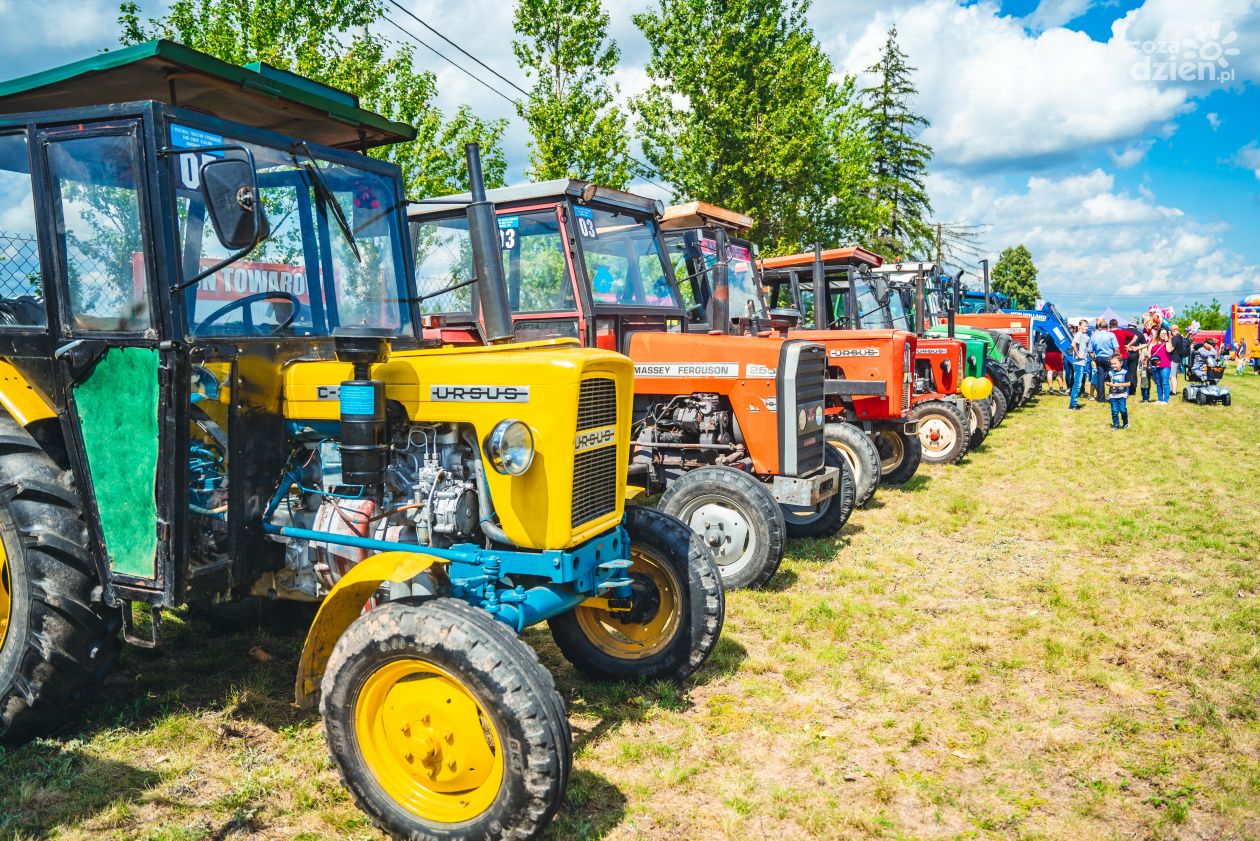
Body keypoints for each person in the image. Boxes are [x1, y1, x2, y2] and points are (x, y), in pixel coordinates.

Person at [1088, 319, 1118, 403]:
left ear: (1099, 327)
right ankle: (1113, 396)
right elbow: (1116, 348)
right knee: (1112, 377)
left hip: (1099, 358)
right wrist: (1115, 358)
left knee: (1100, 378)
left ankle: (1101, 399)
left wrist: (1093, 358)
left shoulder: (1094, 335)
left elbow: (1089, 350)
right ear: (1107, 327)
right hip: (1109, 357)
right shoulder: (1111, 335)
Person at [1106, 353, 1131, 429]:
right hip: (1113, 395)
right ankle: (1116, 424)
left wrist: (1119, 385)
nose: (1113, 365)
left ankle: (1125, 422)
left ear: (1121, 363)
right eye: (1112, 364)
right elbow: (1106, 382)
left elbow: (1128, 383)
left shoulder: (1125, 373)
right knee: (1114, 410)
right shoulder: (1110, 373)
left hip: (1122, 394)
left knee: (1123, 409)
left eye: (1115, 364)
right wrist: (1110, 384)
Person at [1069, 321, 1090, 409]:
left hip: (1081, 362)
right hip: (1078, 363)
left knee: (1078, 383)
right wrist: (1078, 355)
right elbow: (1073, 344)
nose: (1086, 327)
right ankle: (1073, 405)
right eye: (1085, 326)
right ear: (1079, 326)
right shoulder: (1078, 334)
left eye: (1087, 326)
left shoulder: (1081, 335)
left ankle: (1074, 403)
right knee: (1077, 384)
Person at [1149, 327, 1174, 403]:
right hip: (1155, 365)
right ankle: (1160, 399)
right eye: (1162, 333)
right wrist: (1153, 359)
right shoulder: (1153, 342)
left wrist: (1166, 341)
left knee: (1165, 382)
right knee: (1158, 383)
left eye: (1165, 333)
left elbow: (1169, 350)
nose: (1164, 335)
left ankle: (1165, 400)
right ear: (1159, 334)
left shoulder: (1168, 342)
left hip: (1165, 365)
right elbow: (1149, 352)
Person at [1169, 324, 1189, 392]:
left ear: (1172, 330)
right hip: (1179, 358)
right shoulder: (1181, 337)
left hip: (1174, 358)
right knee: (1174, 375)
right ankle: (1174, 390)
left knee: (1172, 375)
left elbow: (1171, 349)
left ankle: (1174, 391)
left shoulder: (1175, 338)